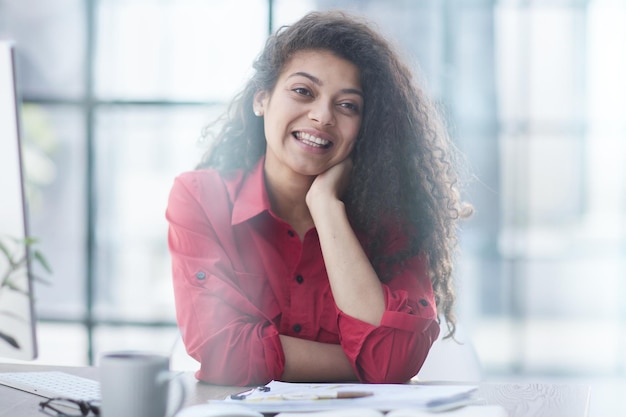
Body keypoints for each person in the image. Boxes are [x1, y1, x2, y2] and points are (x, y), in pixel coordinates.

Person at [166, 10, 471, 386]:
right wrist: (362, 365)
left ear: (365, 127)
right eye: (302, 91)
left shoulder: (395, 217)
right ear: (261, 99)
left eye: (347, 106)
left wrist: (326, 207)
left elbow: (395, 359)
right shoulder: (200, 199)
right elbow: (223, 351)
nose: (322, 116)